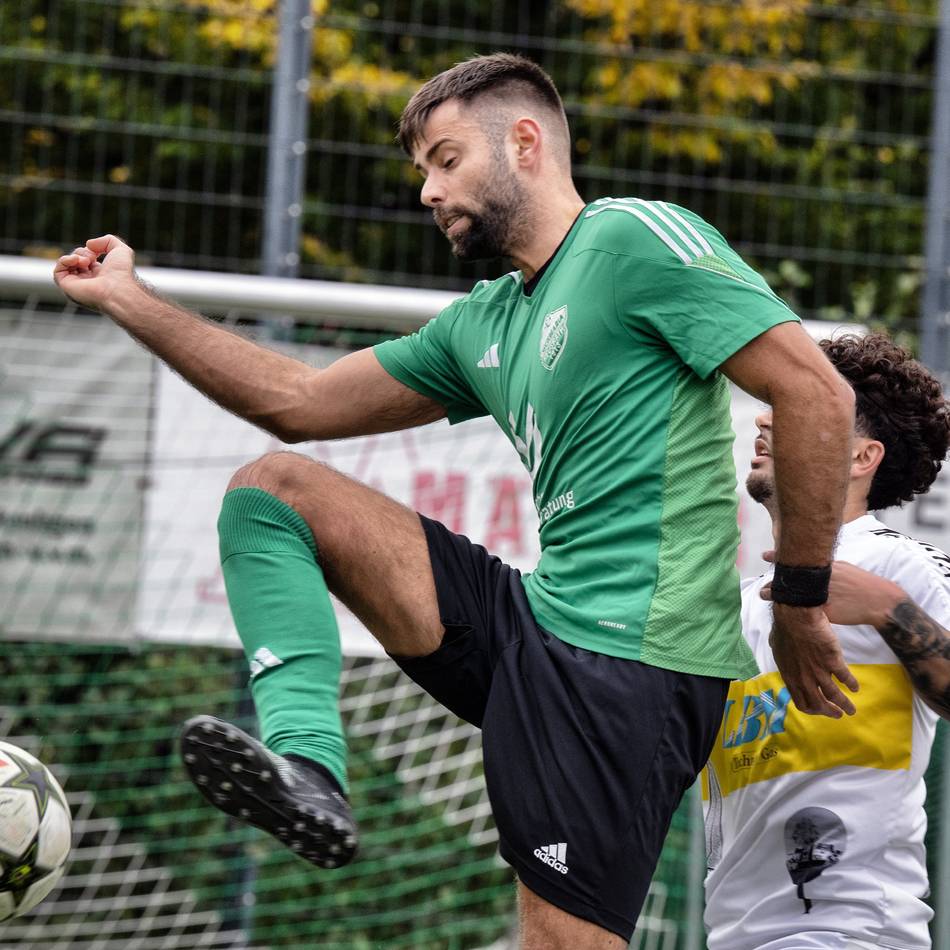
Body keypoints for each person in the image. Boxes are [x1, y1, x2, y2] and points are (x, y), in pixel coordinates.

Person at [53, 53, 857, 949]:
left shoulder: (635, 239)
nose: (429, 192)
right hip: (539, 625)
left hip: (630, 664)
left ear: (525, 142)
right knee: (271, 493)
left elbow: (815, 393)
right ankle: (310, 767)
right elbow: (298, 402)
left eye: (445, 160)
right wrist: (129, 298)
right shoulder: (485, 321)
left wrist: (800, 601)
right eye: (422, 173)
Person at [704, 332, 950, 950]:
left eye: (795, 407)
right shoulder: (733, 604)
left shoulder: (899, 568)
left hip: (852, 931)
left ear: (860, 457)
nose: (763, 417)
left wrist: (889, 610)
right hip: (734, 935)